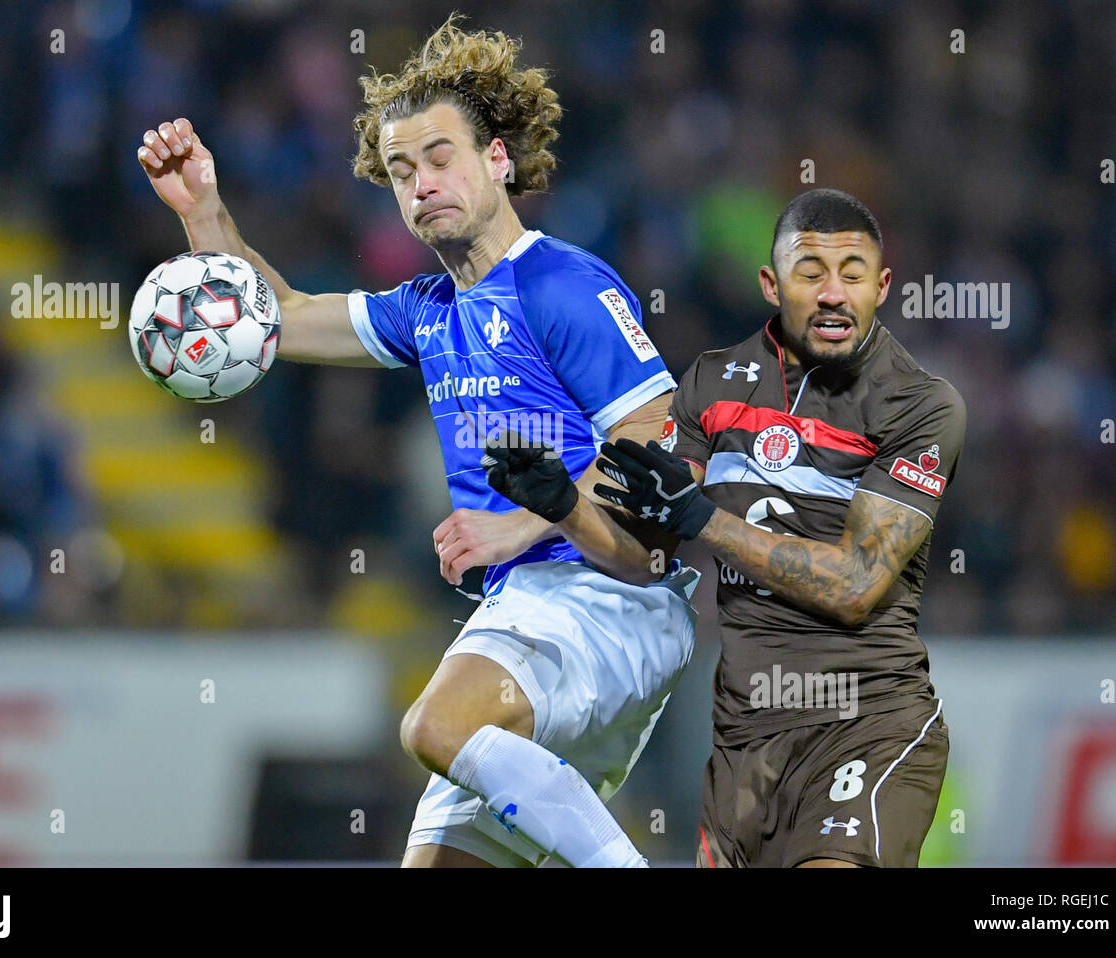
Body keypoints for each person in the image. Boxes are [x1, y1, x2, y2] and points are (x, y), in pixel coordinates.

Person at [136, 17, 698, 868]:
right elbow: (278, 318)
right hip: (531, 614)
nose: (422, 183)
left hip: (607, 597)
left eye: (441, 158)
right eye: (402, 171)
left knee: (434, 723)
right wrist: (204, 211)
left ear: (498, 160)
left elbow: (658, 441)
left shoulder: (561, 283)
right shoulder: (428, 309)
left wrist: (529, 521)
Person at [516, 188, 965, 867]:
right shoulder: (710, 384)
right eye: (811, 272)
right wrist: (564, 507)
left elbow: (854, 584)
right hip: (745, 738)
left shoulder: (922, 406)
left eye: (852, 273)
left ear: (883, 286)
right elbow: (644, 561)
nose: (834, 293)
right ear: (771, 282)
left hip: (867, 721)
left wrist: (706, 519)